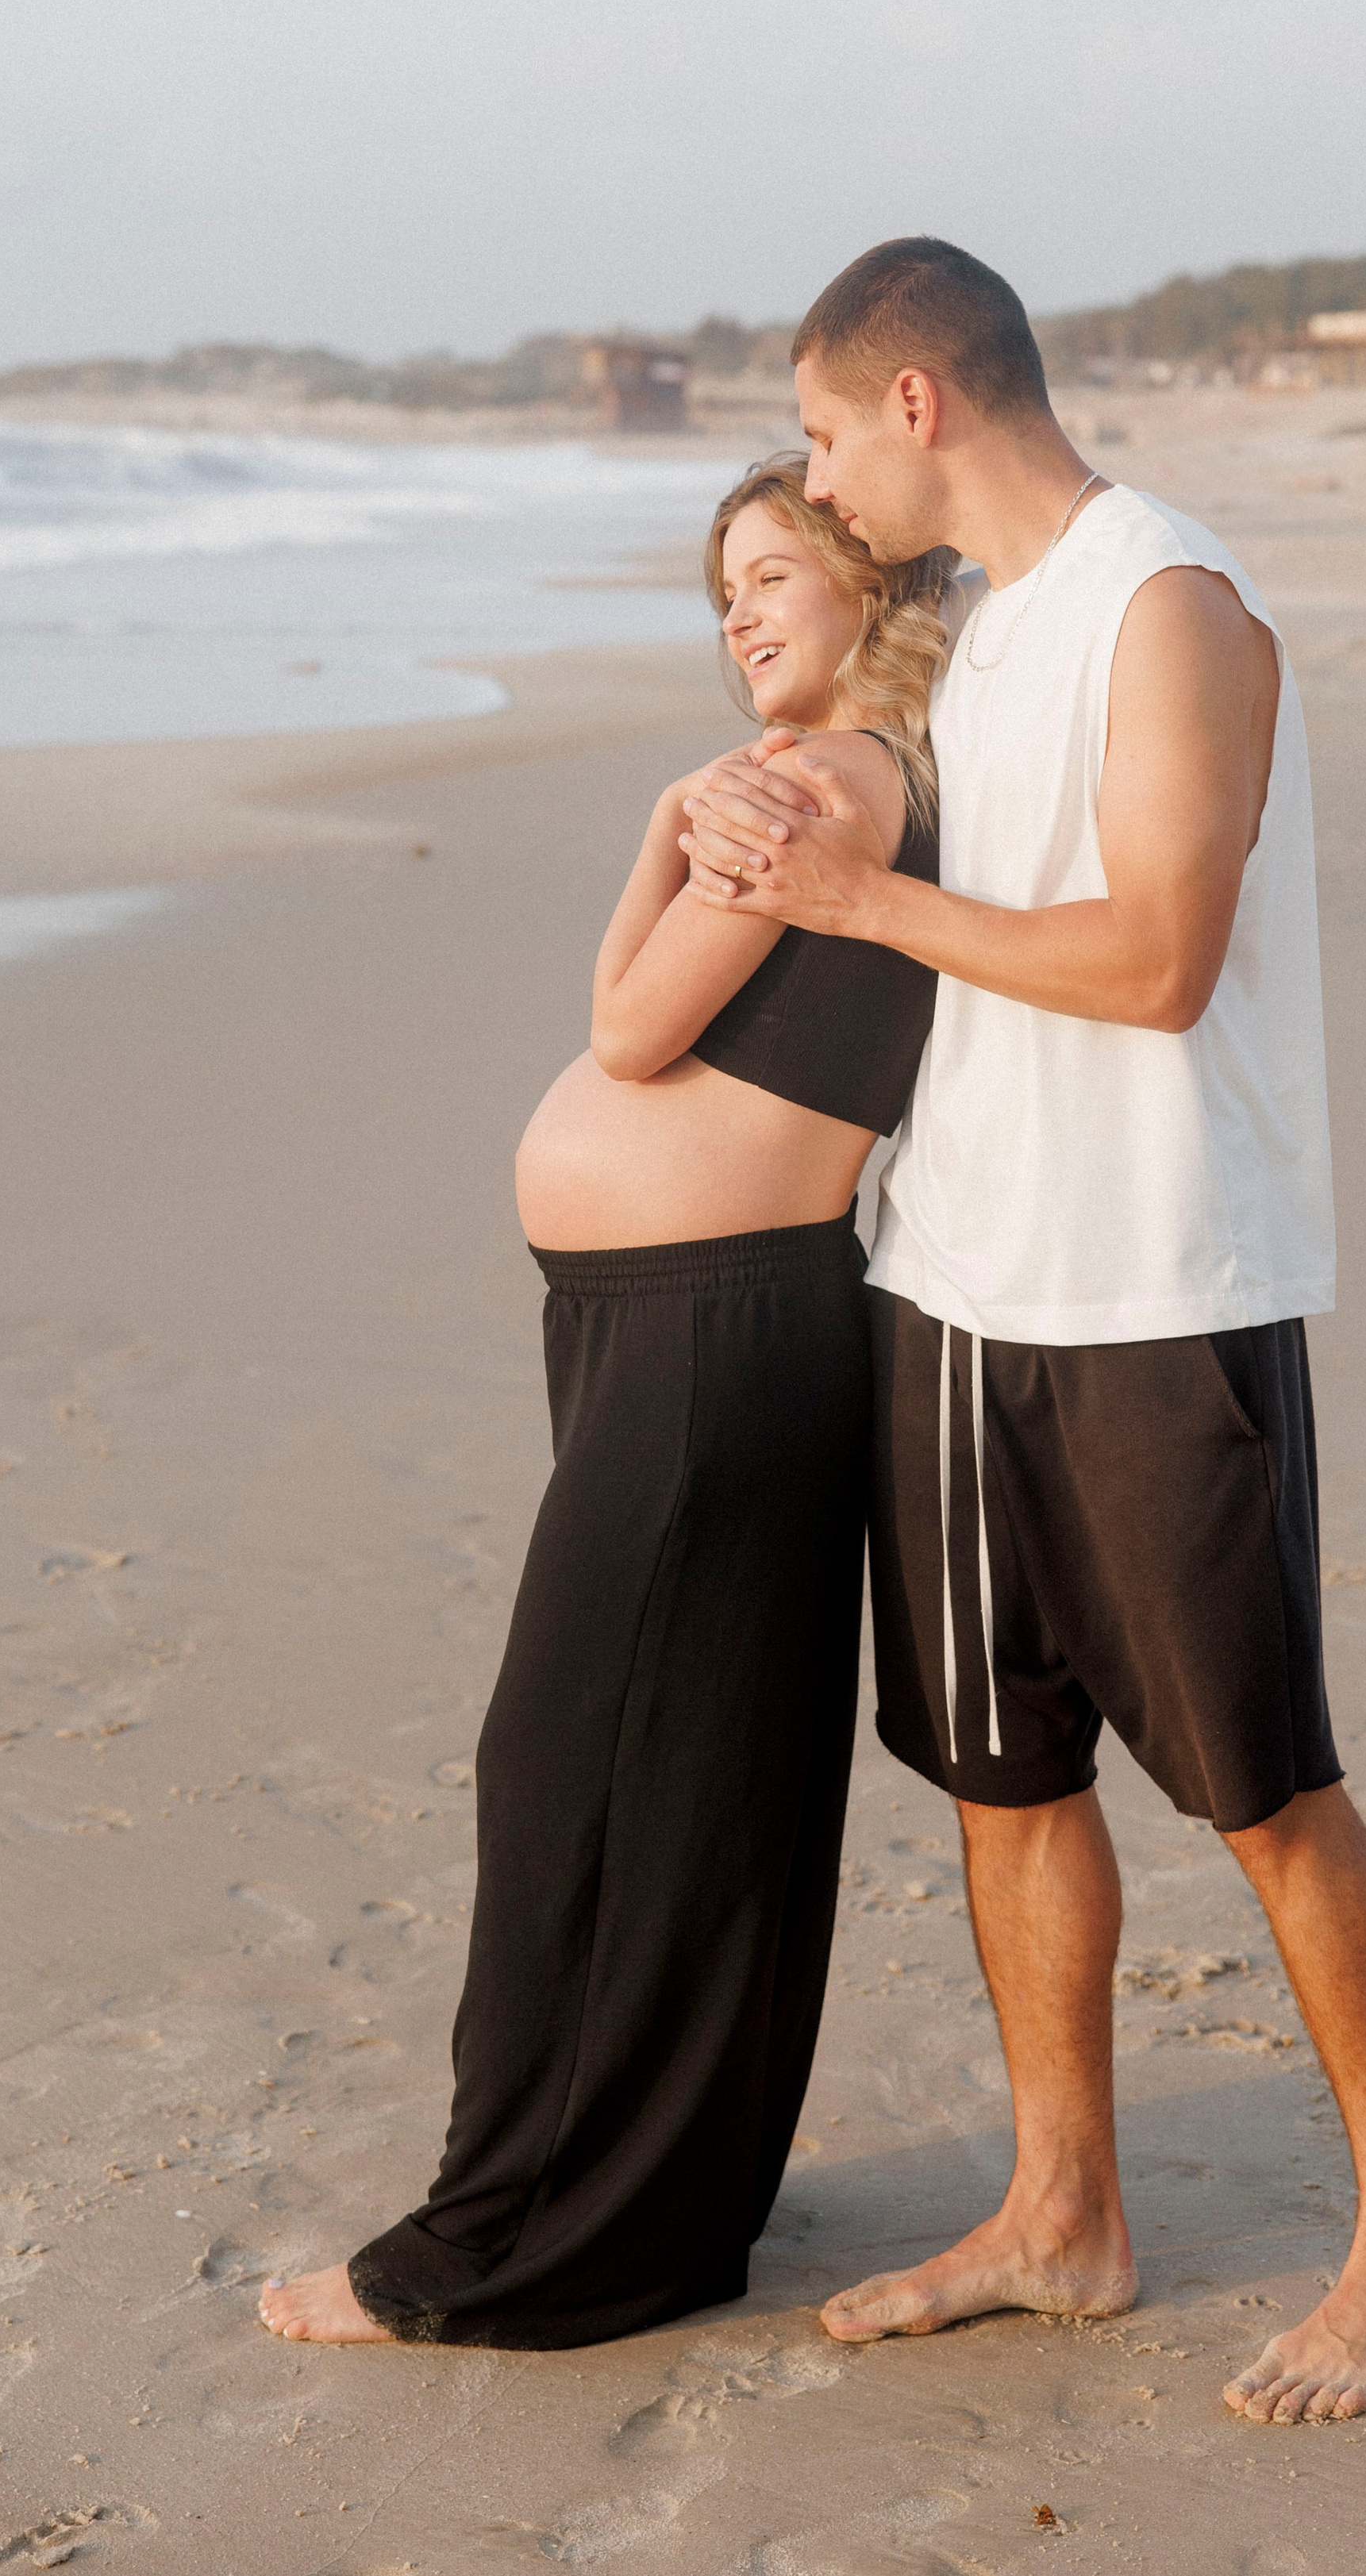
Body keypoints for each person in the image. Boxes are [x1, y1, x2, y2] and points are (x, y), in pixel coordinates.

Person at [679, 238, 1366, 2426]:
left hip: (1157, 1287)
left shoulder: (1166, 598)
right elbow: (830, 744)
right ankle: (1063, 2209)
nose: (825, 482)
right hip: (956, 1276)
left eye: (829, 433)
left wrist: (863, 900)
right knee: (1001, 1773)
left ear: (920, 400)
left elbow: (1158, 959)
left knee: (1266, 1784)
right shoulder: (991, 629)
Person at [259, 454, 953, 2351]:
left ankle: (491, 2243)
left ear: (862, 578)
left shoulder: (825, 779)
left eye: (767, 572)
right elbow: (621, 994)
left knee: (565, 1772)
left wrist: (677, 826)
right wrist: (663, 823)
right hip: (689, 1330)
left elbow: (632, 1031)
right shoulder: (822, 783)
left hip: (714, 1342)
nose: (734, 614)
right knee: (692, 1774)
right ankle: (665, 2208)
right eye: (715, 590)